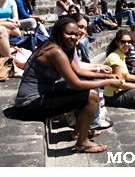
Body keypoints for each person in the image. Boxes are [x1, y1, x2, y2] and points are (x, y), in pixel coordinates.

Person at [14, 17, 122, 153]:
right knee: (92, 95)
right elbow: (76, 84)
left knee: (89, 87)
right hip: (29, 105)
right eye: (69, 33)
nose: (74, 37)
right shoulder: (56, 52)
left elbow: (78, 71)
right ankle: (82, 143)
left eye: (76, 34)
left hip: (43, 94)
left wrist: (107, 75)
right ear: (59, 32)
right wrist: (108, 82)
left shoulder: (61, 47)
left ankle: (79, 132)